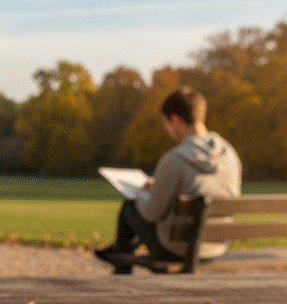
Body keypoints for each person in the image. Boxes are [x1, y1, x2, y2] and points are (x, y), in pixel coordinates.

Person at [95, 87, 242, 274]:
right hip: (216, 247)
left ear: (174, 119)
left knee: (130, 205)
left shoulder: (174, 159)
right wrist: (156, 188)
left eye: (166, 123)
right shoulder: (228, 153)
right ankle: (118, 255)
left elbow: (152, 213)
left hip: (177, 249)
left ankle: (120, 263)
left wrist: (139, 193)